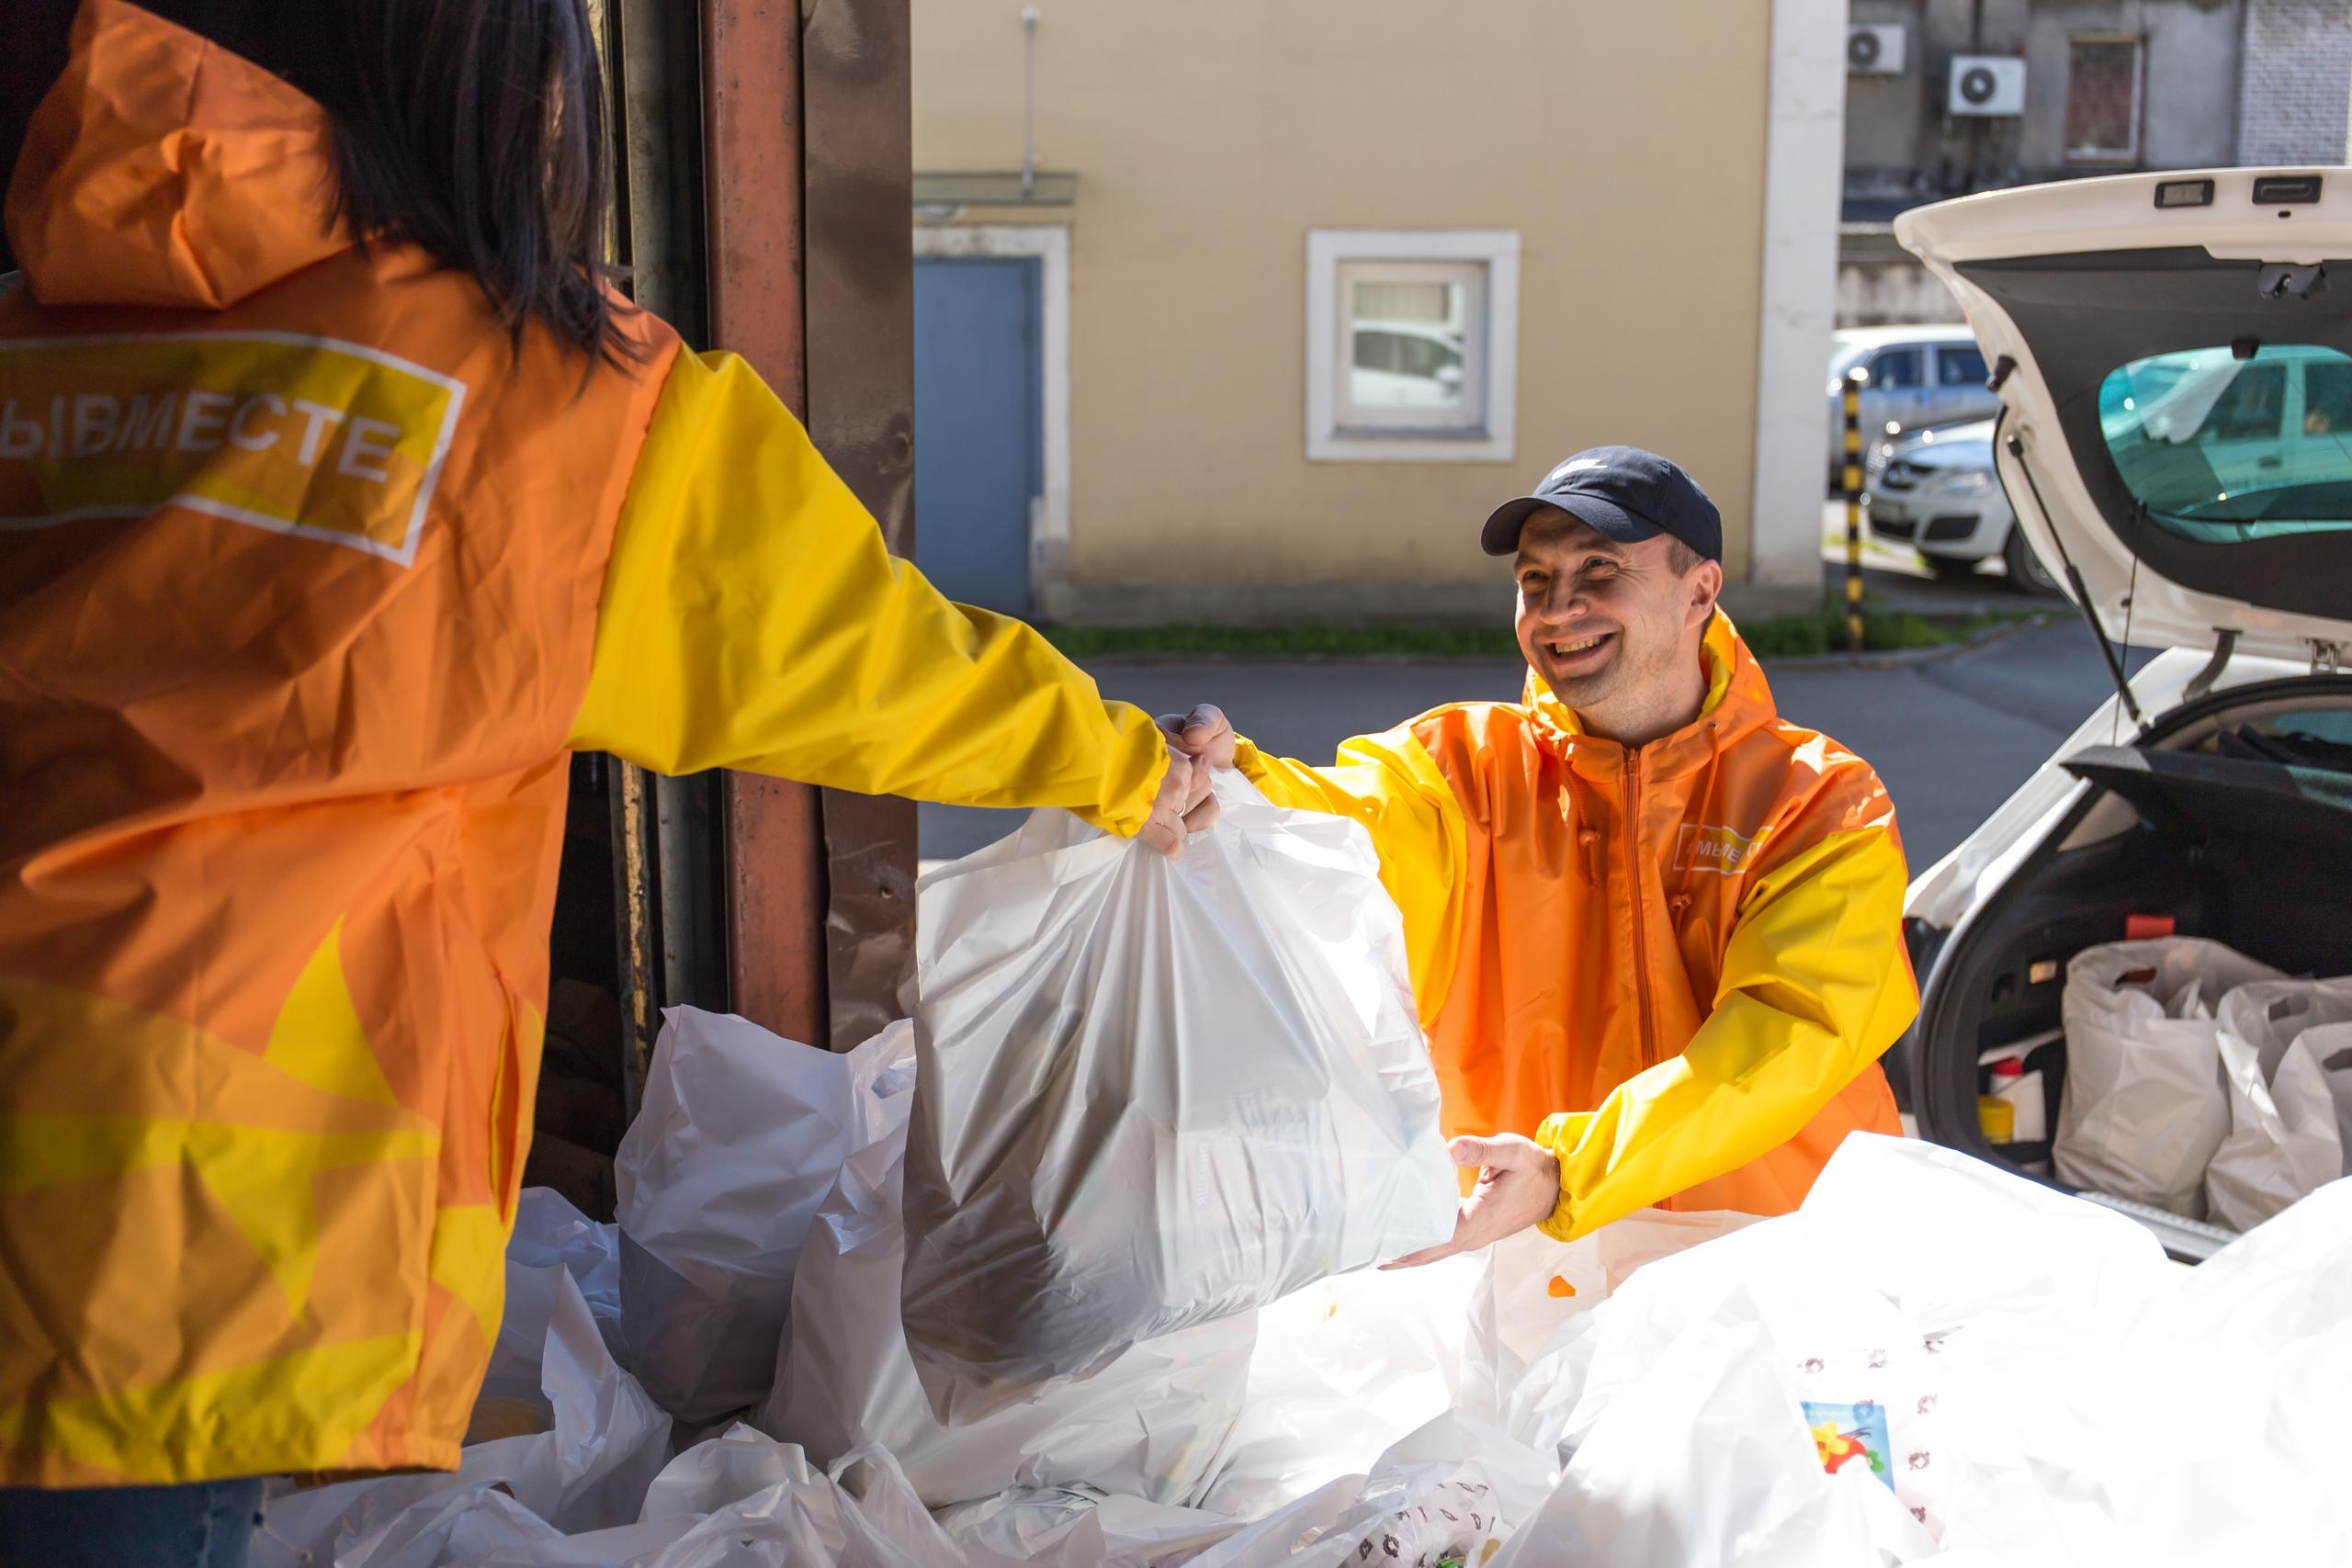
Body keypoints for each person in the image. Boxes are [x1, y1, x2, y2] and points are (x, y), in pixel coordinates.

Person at [0, 1, 1214, 1559]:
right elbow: (859, 662)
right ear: (487, 102)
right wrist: (1117, 761)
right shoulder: (542, 399)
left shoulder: (43, 339)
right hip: (162, 1219)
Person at [1166, 446, 1917, 1265]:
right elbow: (1346, 829)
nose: (1559, 608)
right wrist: (1237, 781)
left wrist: (1573, 1171)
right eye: (1534, 582)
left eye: (1600, 568)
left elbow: (1789, 1033)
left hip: (1784, 1272)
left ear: (1700, 589)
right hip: (1537, 1272)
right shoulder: (1464, 766)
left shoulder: (1817, 801)